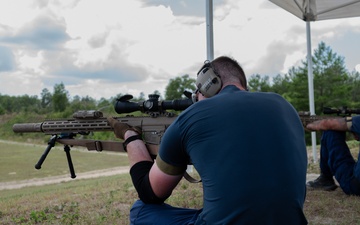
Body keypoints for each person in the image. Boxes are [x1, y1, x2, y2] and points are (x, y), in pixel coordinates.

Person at [108, 56, 308, 224]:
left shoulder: (192, 116)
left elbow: (150, 193)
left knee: (140, 210)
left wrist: (130, 136)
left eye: (198, 89)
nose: (196, 96)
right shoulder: (284, 106)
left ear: (210, 82)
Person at [306, 116, 360, 195]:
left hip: (356, 186)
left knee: (330, 130)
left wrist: (307, 124)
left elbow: (326, 124)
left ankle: (325, 179)